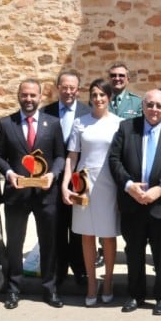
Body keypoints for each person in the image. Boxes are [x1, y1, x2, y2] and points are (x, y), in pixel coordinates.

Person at [108, 89, 161, 316]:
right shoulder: (126, 128)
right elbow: (114, 160)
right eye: (150, 104)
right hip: (132, 202)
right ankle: (135, 294)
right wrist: (128, 186)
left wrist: (159, 189)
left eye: (159, 106)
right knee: (134, 251)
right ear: (143, 105)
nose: (154, 109)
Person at [0, 79, 66, 309]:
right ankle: (13, 289)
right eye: (24, 95)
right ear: (18, 96)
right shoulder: (6, 124)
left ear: (40, 97)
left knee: (49, 242)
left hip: (46, 194)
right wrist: (9, 173)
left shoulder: (52, 124)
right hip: (17, 194)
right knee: (15, 243)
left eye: (33, 95)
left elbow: (60, 156)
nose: (28, 99)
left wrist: (53, 175)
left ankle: (49, 288)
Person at [60, 79, 122, 307]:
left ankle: (108, 281)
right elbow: (72, 156)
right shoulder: (80, 123)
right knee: (86, 234)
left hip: (108, 182)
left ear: (109, 97)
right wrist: (66, 184)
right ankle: (92, 283)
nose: (98, 99)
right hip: (82, 181)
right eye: (94, 95)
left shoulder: (119, 123)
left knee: (107, 234)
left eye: (102, 95)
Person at [41, 71, 91, 288]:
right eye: (65, 87)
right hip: (53, 178)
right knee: (57, 227)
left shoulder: (88, 112)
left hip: (79, 179)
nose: (69, 91)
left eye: (73, 88)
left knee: (79, 227)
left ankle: (80, 269)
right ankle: (60, 270)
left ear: (78, 90)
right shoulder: (46, 112)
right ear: (57, 88)